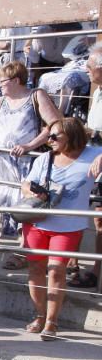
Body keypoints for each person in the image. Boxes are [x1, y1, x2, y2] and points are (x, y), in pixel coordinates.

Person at [21, 118, 102, 341]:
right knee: (35, 270)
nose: (50, 140)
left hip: (68, 226)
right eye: (49, 136)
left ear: (72, 135)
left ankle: (51, 321)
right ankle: (40, 315)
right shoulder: (45, 159)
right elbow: (26, 184)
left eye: (56, 136)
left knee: (56, 270)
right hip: (37, 221)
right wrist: (31, 193)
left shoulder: (91, 154)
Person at [0, 60, 61, 248]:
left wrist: (29, 145)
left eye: (2, 81)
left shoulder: (36, 96)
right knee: (3, 208)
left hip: (28, 162)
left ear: (16, 80)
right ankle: (4, 249)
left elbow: (55, 125)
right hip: (4, 163)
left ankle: (23, 250)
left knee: (26, 207)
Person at [69, 43, 102, 288]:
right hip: (91, 155)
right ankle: (73, 264)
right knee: (80, 210)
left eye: (90, 66)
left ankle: (96, 271)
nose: (87, 70)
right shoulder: (98, 91)